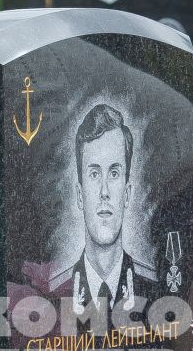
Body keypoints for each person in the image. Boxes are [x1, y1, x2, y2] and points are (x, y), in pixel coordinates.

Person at [45, 102, 164, 317]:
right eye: (94, 173)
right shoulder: (52, 295)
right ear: (80, 195)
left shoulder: (154, 290)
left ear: (127, 193)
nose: (104, 191)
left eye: (114, 173)